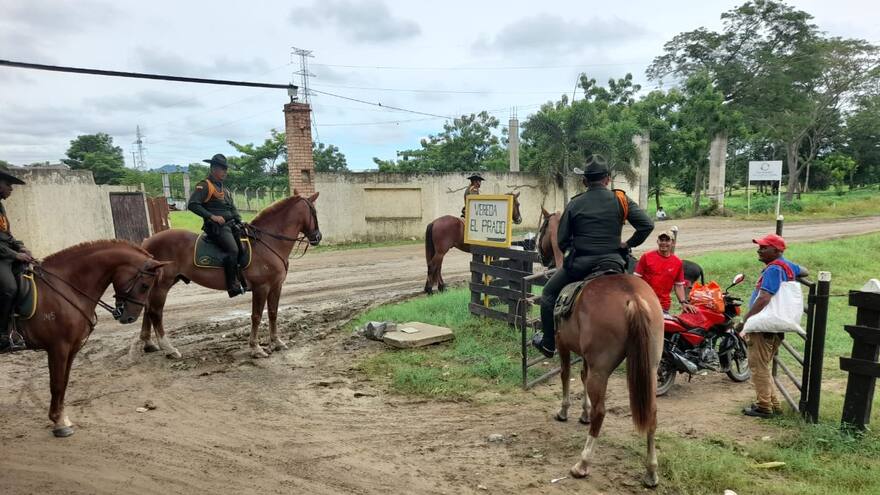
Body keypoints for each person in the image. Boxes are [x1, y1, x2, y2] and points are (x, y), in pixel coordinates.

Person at [531, 156, 654, 358]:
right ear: (608, 179)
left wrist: (574, 248)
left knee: (548, 294)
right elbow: (647, 225)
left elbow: (562, 241)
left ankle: (548, 344)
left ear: (585, 181)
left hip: (581, 265)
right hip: (614, 262)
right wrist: (627, 244)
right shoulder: (621, 199)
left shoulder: (575, 204)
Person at [739, 233, 808, 418]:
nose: (759, 250)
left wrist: (745, 320)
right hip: (777, 326)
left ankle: (764, 407)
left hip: (764, 326)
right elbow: (805, 271)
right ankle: (773, 404)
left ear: (777, 251)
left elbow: (764, 297)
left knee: (758, 366)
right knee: (763, 365)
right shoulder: (786, 266)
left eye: (764, 247)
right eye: (759, 247)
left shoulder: (773, 269)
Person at [188, 154, 247, 298]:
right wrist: (212, 216)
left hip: (230, 225)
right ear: (214, 168)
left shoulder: (224, 189)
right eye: (222, 169)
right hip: (215, 227)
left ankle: (242, 279)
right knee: (232, 250)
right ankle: (232, 286)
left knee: (242, 248)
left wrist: (240, 221)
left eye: (226, 169)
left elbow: (232, 208)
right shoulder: (205, 185)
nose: (225, 172)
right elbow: (193, 204)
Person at [0, 166, 34, 352]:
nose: (11, 189)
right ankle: (2, 335)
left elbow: (6, 235)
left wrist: (20, 246)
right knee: (9, 288)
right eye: (8, 184)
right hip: (1, 257)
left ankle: (18, 328)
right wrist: (15, 255)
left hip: (6, 253)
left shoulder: (0, 206)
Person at [634, 230, 697, 314]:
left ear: (673, 243)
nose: (664, 243)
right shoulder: (646, 257)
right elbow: (636, 280)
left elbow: (678, 285)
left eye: (667, 240)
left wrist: (683, 302)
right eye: (661, 240)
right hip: (644, 303)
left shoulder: (677, 262)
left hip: (663, 305)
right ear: (657, 241)